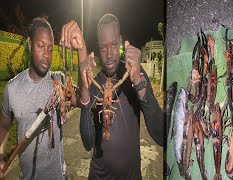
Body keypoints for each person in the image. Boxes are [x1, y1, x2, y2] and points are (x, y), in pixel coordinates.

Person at [60, 14, 163, 179]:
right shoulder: (94, 82)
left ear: (121, 41)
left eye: (114, 45)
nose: (108, 54)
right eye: (103, 47)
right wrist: (85, 91)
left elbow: (161, 135)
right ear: (98, 47)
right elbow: (87, 143)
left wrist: (138, 81)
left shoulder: (135, 74)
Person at [0, 18, 69, 179]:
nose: (47, 54)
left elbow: (82, 99)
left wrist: (81, 54)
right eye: (41, 46)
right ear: (30, 46)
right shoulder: (12, 88)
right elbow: (3, 127)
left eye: (51, 49)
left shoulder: (59, 81)